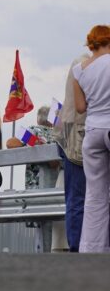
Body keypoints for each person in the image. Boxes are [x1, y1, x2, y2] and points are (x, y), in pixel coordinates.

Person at [73, 24, 110, 253]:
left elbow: (80, 107)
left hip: (93, 131)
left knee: (95, 194)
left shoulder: (79, 69)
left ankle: (92, 249)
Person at [57, 57, 88, 250]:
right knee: (81, 198)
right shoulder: (88, 64)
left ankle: (77, 247)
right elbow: (82, 106)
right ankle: (80, 247)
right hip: (81, 133)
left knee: (75, 198)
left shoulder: (79, 62)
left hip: (68, 133)